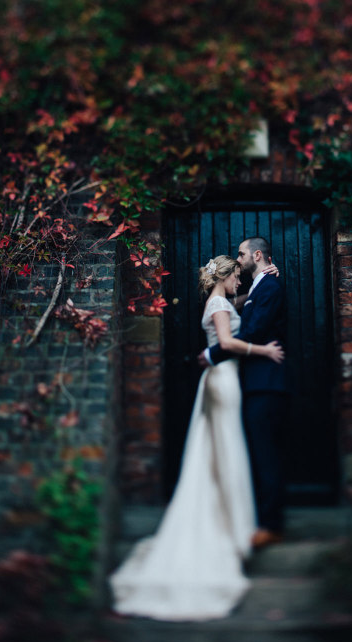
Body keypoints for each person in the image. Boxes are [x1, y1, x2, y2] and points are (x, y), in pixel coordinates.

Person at [109, 255, 284, 621]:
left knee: (225, 449)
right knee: (224, 450)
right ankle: (228, 526)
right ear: (226, 276)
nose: (240, 281)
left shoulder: (223, 300)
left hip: (227, 379)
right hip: (224, 379)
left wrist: (262, 278)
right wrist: (263, 350)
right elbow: (227, 341)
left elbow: (246, 304)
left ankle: (233, 522)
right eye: (238, 276)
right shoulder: (218, 303)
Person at [199, 237, 289, 549]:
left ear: (258, 255)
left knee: (266, 453)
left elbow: (253, 332)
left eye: (242, 254)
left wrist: (213, 354)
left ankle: (271, 524)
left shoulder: (269, 287)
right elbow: (233, 308)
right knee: (256, 451)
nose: (239, 260)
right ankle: (259, 519)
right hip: (250, 382)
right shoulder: (258, 288)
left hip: (265, 381)